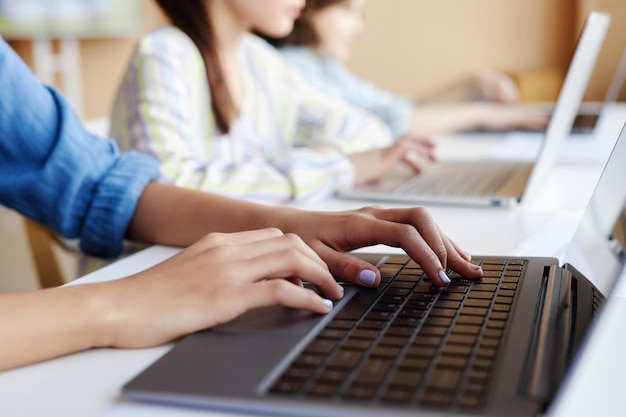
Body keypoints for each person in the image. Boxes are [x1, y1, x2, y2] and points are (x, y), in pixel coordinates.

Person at [0, 36, 482, 371]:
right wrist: (117, 303)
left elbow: (100, 184)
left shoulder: (260, 61)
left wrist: (293, 223)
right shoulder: (165, 54)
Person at [108, 0, 436, 205]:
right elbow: (172, 196)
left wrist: (304, 161)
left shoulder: (258, 59)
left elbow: (368, 132)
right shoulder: (165, 55)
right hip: (154, 273)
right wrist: (333, 165)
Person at [264, 0, 549, 137]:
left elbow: (394, 108)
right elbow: (386, 125)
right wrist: (483, 115)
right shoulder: (291, 66)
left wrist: (470, 84)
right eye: (348, 12)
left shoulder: (323, 65)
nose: (360, 27)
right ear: (309, 10)